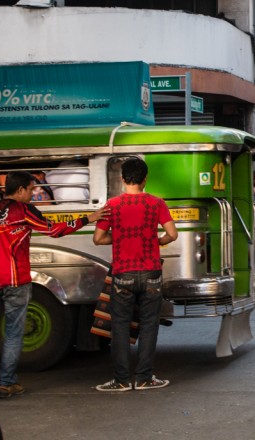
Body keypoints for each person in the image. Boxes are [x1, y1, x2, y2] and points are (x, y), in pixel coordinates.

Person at [0, 171, 107, 399]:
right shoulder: (25, 211)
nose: (34, 193)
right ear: (21, 189)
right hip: (16, 280)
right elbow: (54, 230)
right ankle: (6, 383)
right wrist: (88, 219)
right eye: (32, 189)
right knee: (14, 333)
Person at [92, 157, 178, 391]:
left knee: (119, 326)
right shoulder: (156, 203)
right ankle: (144, 378)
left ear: (122, 179)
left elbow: (98, 238)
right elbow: (173, 234)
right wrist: (156, 240)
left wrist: (118, 237)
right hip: (150, 272)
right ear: (145, 178)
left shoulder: (112, 205)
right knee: (149, 325)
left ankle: (120, 380)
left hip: (123, 274)